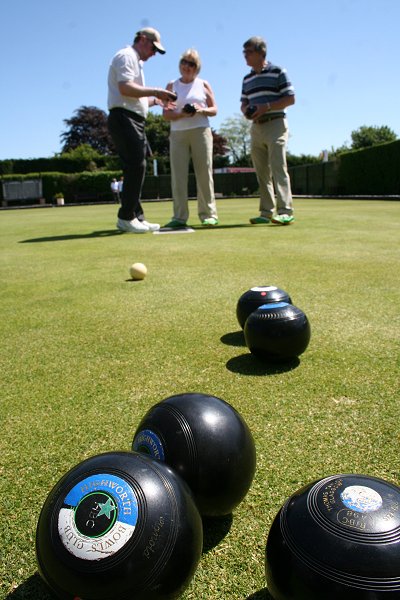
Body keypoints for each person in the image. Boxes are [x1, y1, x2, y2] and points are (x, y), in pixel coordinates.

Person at [107, 27, 176, 233]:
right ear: (143, 40)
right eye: (154, 48)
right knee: (136, 165)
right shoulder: (126, 56)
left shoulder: (136, 61)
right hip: (124, 116)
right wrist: (157, 90)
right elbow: (125, 88)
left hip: (132, 117)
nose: (154, 53)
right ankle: (126, 217)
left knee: (136, 166)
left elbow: (137, 97)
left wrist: (158, 100)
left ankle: (136, 216)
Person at [241, 36, 295, 225]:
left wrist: (267, 106)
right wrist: (246, 111)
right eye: (244, 52)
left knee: (278, 167)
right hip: (256, 127)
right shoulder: (246, 78)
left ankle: (285, 211)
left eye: (248, 51)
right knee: (261, 172)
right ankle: (266, 212)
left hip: (276, 124)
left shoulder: (278, 71)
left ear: (261, 52)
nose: (245, 55)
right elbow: (244, 101)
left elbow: (290, 98)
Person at [162, 49, 218, 228]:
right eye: (184, 62)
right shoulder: (171, 85)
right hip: (178, 133)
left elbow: (214, 109)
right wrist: (181, 113)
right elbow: (166, 114)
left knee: (204, 173)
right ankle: (179, 217)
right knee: (178, 176)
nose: (187, 67)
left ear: (197, 68)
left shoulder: (203, 84)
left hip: (200, 130)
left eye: (191, 64)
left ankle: (208, 214)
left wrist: (199, 110)